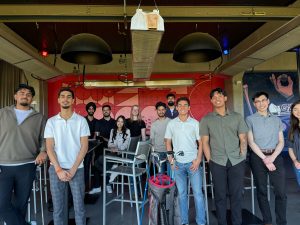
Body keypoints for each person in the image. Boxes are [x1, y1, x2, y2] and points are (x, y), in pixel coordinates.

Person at [0, 84, 47, 225]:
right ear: (15, 96)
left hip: (27, 165)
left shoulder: (39, 117)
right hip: (3, 165)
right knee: (2, 204)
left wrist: (43, 151)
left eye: (28, 94)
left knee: (21, 204)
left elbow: (45, 138)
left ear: (32, 98)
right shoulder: (2, 113)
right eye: (21, 92)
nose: (25, 95)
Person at [200, 87, 248, 225]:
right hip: (217, 162)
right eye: (214, 97)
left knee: (236, 195)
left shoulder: (237, 117)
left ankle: (236, 222)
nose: (217, 99)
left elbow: (243, 138)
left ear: (225, 98)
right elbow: (205, 142)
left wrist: (242, 157)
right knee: (220, 196)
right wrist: (210, 161)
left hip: (236, 161)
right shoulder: (206, 119)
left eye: (220, 96)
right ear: (211, 100)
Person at [45, 87, 90, 225]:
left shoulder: (81, 121)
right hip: (56, 169)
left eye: (69, 96)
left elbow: (84, 146)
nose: (65, 99)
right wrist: (58, 169)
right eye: (63, 96)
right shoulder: (51, 122)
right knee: (58, 209)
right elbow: (49, 147)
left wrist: (73, 169)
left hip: (77, 169)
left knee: (79, 208)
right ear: (58, 100)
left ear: (73, 100)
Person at [247, 91, 287, 225]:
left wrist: (273, 157)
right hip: (258, 157)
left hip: (275, 156)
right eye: (257, 101)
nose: (261, 103)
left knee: (281, 192)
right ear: (254, 104)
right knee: (262, 190)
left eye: (263, 100)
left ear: (268, 101)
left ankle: (282, 222)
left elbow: (281, 141)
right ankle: (267, 221)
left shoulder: (277, 120)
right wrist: (265, 158)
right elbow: (251, 142)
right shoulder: (250, 119)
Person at [165, 97, 206, 225]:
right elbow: (168, 142)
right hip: (178, 165)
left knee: (198, 194)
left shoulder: (195, 123)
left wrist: (198, 159)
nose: (182, 107)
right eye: (180, 105)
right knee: (182, 195)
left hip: (193, 163)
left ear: (189, 108)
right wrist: (171, 160)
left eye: (185, 105)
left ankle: (201, 222)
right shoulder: (171, 123)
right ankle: (184, 222)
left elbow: (201, 142)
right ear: (176, 108)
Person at [94, 104, 115, 194]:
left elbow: (116, 136)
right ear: (102, 111)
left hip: (112, 148)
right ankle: (97, 186)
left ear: (110, 111)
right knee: (96, 164)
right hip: (100, 147)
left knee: (108, 165)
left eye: (107, 110)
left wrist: (106, 139)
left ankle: (108, 184)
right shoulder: (98, 122)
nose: (106, 111)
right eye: (104, 110)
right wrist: (104, 139)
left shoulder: (114, 122)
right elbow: (98, 137)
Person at [107, 115, 131, 184]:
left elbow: (126, 144)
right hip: (113, 153)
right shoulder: (112, 130)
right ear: (116, 122)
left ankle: (108, 181)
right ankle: (109, 180)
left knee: (109, 163)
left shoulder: (127, 131)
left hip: (122, 154)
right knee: (102, 161)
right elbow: (109, 143)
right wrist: (113, 147)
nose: (119, 123)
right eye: (118, 121)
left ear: (124, 123)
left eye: (122, 122)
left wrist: (118, 149)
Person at [83, 102, 100, 194]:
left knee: (90, 166)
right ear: (87, 110)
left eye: (92, 109)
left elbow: (95, 135)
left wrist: (92, 147)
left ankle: (89, 186)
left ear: (94, 110)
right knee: (83, 167)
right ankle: (83, 187)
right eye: (89, 109)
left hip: (92, 147)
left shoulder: (96, 121)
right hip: (82, 146)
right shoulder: (83, 120)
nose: (91, 110)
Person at [150, 101, 171, 174]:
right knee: (161, 175)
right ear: (156, 111)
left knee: (170, 174)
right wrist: (153, 153)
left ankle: (170, 186)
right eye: (159, 110)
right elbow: (152, 140)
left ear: (165, 110)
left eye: (163, 109)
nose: (161, 111)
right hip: (158, 153)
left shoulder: (170, 122)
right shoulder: (154, 125)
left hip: (169, 151)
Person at [288, 100, 300, 187]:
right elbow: (290, 147)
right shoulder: (292, 128)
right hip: (298, 164)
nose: (298, 112)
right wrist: (295, 161)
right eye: (295, 109)